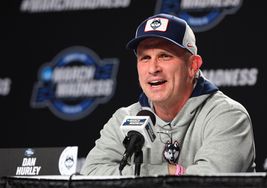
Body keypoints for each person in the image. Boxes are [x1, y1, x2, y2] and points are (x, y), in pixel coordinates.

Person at [80, 13, 256, 176]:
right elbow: (92, 173)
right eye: (145, 58)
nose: (153, 68)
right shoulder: (124, 118)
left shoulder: (227, 116)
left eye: (165, 56)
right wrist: (169, 171)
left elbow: (208, 183)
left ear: (193, 66)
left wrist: (134, 176)